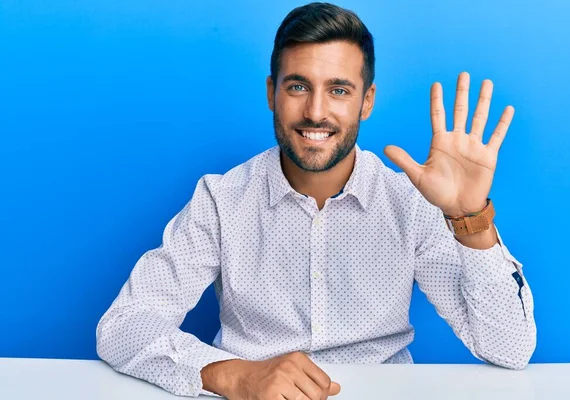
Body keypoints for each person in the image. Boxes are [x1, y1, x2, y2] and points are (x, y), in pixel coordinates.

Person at [96, 2, 536, 398]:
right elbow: (123, 328)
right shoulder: (222, 199)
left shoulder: (409, 203)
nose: (316, 112)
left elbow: (510, 350)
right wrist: (234, 375)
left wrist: (468, 217)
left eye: (339, 90)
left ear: (367, 102)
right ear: (272, 93)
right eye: (298, 87)